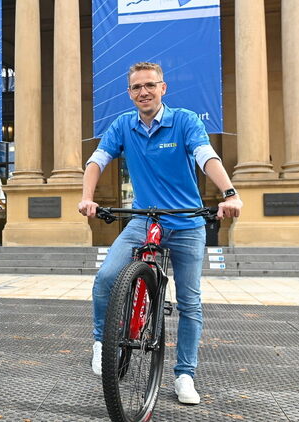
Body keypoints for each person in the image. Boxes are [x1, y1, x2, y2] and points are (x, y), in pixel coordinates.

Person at [78, 62, 243, 405]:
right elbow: (97, 160)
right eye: (137, 87)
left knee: (189, 302)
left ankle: (185, 374)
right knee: (107, 276)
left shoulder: (184, 120)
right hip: (143, 219)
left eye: (150, 85)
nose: (144, 92)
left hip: (186, 223)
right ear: (130, 93)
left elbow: (205, 155)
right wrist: (87, 197)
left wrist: (229, 193)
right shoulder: (123, 125)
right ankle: (99, 341)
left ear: (163, 88)